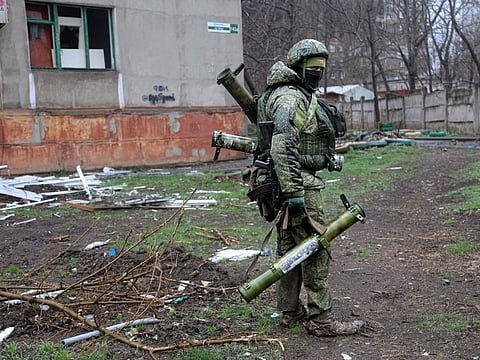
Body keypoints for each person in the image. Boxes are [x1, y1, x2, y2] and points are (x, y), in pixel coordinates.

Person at [255, 39, 363, 336]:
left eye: (321, 69)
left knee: (290, 249)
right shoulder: (291, 98)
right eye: (313, 68)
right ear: (298, 66)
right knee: (315, 248)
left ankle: (289, 313)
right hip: (297, 185)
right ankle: (322, 320)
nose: (318, 73)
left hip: (284, 182)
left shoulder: (284, 92)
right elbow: (282, 144)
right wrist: (294, 193)